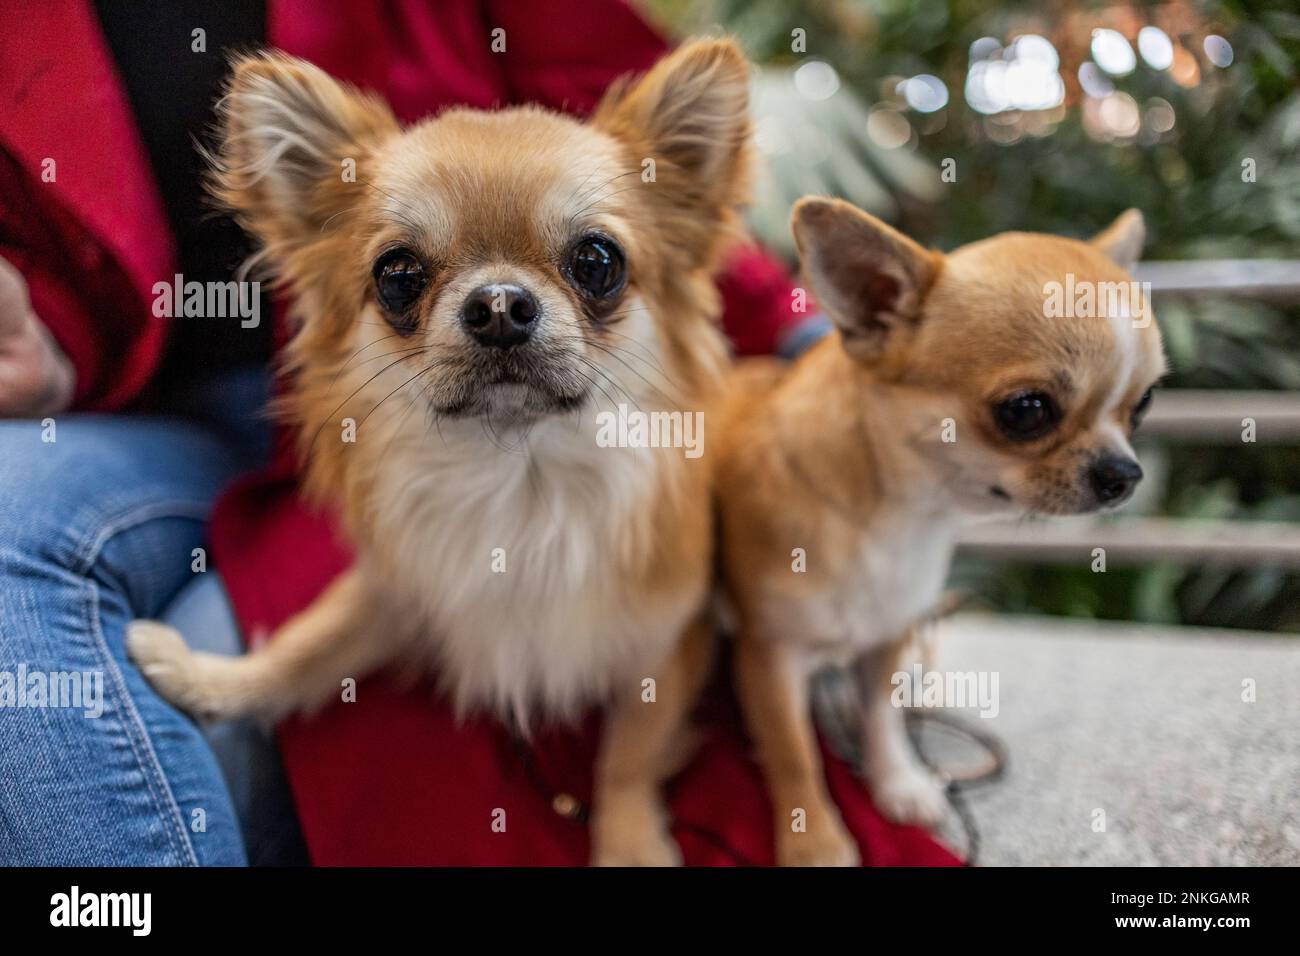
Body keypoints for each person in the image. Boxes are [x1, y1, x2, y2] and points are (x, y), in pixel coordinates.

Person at [0, 0, 953, 866]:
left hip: (316, 469)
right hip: (130, 406)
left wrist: (832, 335)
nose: (498, 310)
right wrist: (35, 323)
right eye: (408, 279)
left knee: (286, 765)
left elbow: (656, 173)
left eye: (590, 266)